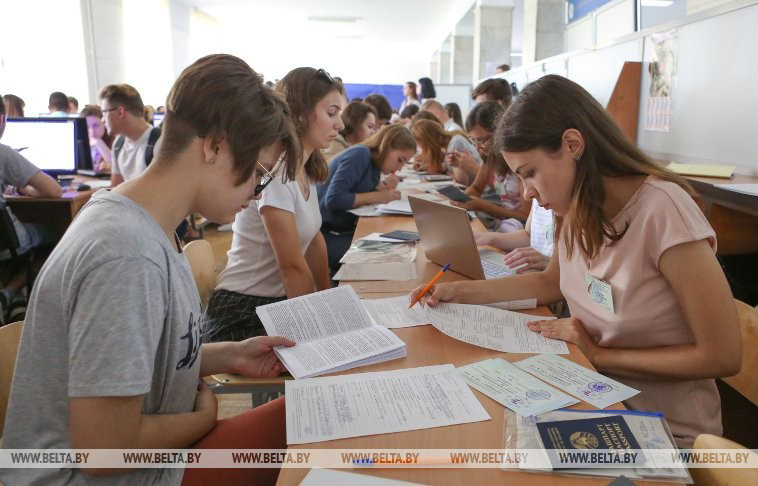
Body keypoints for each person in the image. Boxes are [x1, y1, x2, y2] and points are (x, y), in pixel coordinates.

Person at [1, 53, 302, 486]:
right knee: (310, 424)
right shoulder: (127, 255)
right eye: (257, 175)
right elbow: (104, 451)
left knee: (311, 414)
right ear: (215, 146)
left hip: (143, 459)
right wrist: (202, 420)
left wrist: (228, 353)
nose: (256, 195)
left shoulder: (147, 222)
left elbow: (147, 354)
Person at [410, 74, 741, 448]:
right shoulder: (575, 205)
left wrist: (601, 355)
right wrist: (459, 291)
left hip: (658, 427)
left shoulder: (663, 211)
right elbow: (549, 283)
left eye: (530, 173)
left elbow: (722, 355)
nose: (529, 193)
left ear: (572, 145)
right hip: (589, 388)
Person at [205, 67, 342, 342]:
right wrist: (316, 331)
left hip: (273, 302)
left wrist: (328, 298)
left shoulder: (306, 167)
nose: (340, 124)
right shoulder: (277, 173)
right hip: (243, 309)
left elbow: (314, 239)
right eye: (331, 113)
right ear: (301, 114)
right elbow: (291, 267)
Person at [318, 125, 416, 275]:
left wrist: (381, 189)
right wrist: (378, 196)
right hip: (325, 235)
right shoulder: (360, 154)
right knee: (384, 261)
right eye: (400, 160)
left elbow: (357, 191)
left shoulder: (375, 165)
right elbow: (333, 199)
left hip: (343, 230)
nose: (400, 168)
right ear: (387, 146)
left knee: (400, 252)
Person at [0, 95, 62, 321]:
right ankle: (12, 293)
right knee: (62, 233)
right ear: (1, 120)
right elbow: (53, 191)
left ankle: (11, 297)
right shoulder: (4, 153)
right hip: (9, 242)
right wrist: (27, 189)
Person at [455, 101, 530, 232]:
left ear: (499, 133)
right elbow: (476, 188)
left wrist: (483, 206)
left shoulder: (519, 164)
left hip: (521, 228)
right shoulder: (490, 158)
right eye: (473, 140)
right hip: (505, 223)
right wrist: (461, 200)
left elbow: (526, 216)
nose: (478, 146)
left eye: (482, 140)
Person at [100, 84, 161, 187]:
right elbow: (116, 189)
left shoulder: (159, 142)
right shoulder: (118, 144)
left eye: (104, 112)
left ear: (120, 112)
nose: (102, 119)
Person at [410, 119, 481, 185]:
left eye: (423, 147)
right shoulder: (448, 144)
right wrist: (425, 167)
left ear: (428, 143)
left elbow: (461, 181)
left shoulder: (456, 143)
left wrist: (448, 173)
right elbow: (446, 167)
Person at [80, 105, 114, 173]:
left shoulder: (114, 140)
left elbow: (115, 165)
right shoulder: (81, 143)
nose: (92, 131)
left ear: (104, 123)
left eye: (96, 125)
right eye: (87, 127)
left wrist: (98, 142)